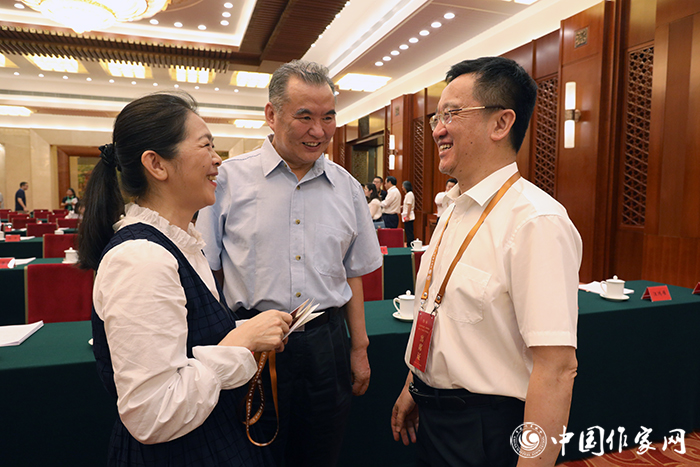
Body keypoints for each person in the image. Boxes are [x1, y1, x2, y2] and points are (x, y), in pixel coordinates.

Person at [78, 92, 292, 466]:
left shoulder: (183, 243)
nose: (217, 160)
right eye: (206, 146)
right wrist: (241, 342)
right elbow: (152, 412)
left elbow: (193, 339)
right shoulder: (140, 259)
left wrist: (249, 332)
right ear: (156, 164)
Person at [391, 57, 582, 467]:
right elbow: (437, 310)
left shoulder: (535, 221)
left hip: (485, 430)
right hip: (433, 415)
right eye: (437, 117)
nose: (437, 129)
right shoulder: (453, 208)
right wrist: (414, 384)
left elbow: (556, 369)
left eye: (451, 114)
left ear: (501, 123)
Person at [197, 60, 382, 467]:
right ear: (271, 114)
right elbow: (209, 270)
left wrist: (359, 348)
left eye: (328, 117)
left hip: (326, 344)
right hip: (251, 343)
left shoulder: (348, 188)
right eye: (305, 116)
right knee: (251, 454)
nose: (319, 131)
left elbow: (352, 274)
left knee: (321, 452)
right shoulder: (227, 181)